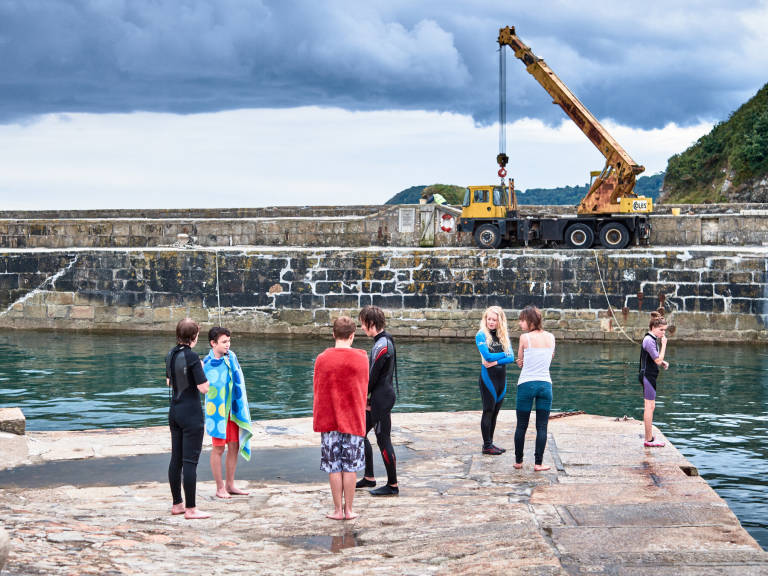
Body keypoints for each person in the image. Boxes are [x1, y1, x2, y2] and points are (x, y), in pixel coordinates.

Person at [313, 316, 370, 520]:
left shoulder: (322, 359)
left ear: (333, 334)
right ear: (352, 336)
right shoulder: (362, 358)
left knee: (334, 466)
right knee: (351, 466)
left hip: (329, 419)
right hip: (353, 419)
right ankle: (349, 510)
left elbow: (318, 390)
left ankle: (337, 510)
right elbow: (363, 388)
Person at [166, 318, 210, 519]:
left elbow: (169, 381)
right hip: (191, 413)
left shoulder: (171, 354)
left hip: (174, 411)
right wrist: (200, 367)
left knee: (176, 459)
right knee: (190, 461)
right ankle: (191, 509)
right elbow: (204, 388)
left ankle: (177, 504)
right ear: (194, 336)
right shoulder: (192, 356)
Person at [203, 326, 254, 499]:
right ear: (213, 343)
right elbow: (207, 389)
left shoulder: (232, 357)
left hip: (233, 411)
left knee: (234, 446)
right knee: (218, 448)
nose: (228, 345)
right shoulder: (207, 364)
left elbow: (239, 382)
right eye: (224, 342)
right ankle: (219, 488)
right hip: (218, 414)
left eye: (229, 341)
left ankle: (230, 484)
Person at [355, 305, 400, 496]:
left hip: (381, 400)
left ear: (371, 323)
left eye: (363, 324)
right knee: (359, 433)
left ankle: (392, 485)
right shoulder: (384, 341)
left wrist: (363, 397)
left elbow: (372, 377)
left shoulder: (382, 345)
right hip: (379, 397)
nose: (362, 328)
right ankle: (369, 477)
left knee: (383, 440)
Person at [514, 305, 555, 471]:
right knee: (542, 427)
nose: (520, 323)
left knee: (521, 426)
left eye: (522, 320)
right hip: (545, 385)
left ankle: (519, 461)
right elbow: (550, 356)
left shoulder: (525, 338)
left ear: (530, 321)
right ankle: (538, 463)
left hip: (526, 384)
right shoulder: (551, 337)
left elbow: (520, 361)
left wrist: (520, 362)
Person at [475, 306, 516, 455]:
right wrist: (503, 355)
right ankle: (486, 445)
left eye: (494, 319)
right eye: (489, 319)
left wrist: (498, 361)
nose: (491, 322)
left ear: (500, 321)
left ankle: (490, 443)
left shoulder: (503, 335)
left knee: (496, 412)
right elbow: (488, 357)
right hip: (488, 379)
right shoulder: (481, 335)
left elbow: (512, 357)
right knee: (488, 410)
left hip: (501, 379)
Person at [639, 309, 670, 447]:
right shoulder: (649, 340)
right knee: (649, 407)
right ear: (653, 328)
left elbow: (654, 358)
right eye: (661, 330)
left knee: (651, 406)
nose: (663, 333)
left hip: (650, 375)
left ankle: (649, 436)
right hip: (647, 375)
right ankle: (649, 440)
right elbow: (657, 360)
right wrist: (664, 345)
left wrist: (661, 361)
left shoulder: (652, 339)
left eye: (665, 330)